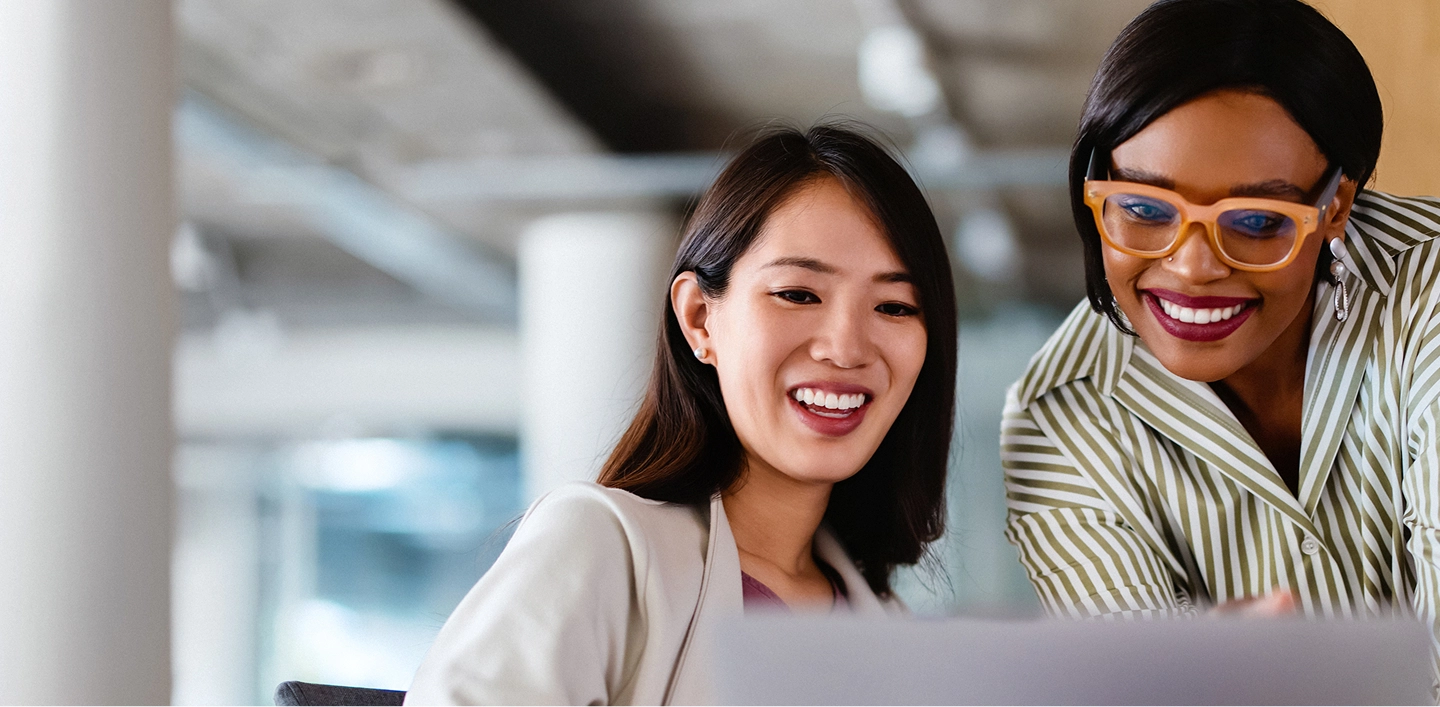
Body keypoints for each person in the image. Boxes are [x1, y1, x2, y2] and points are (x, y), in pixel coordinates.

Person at [405, 124, 957, 705]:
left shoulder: (887, 625)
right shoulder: (602, 548)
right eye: (798, 294)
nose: (846, 348)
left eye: (894, 306)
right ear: (699, 318)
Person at [1001, 0, 1440, 668]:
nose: (1193, 267)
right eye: (1145, 209)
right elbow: (1149, 688)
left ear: (1336, 208)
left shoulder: (1426, 287)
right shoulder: (1062, 418)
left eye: (1258, 222)